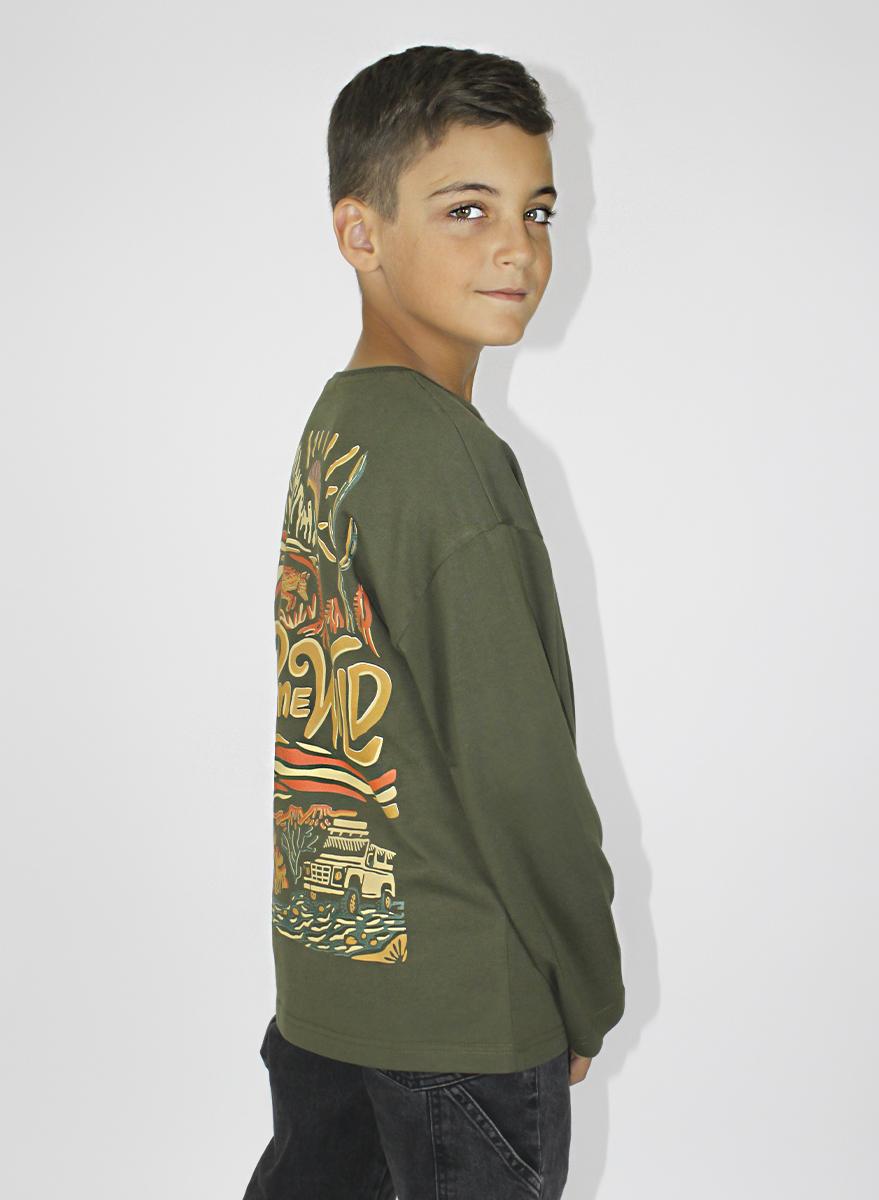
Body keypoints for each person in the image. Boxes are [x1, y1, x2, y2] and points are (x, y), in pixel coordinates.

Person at [243, 44, 626, 1200]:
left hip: (330, 989)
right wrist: (587, 987)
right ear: (360, 232)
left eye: (536, 210)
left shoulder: (342, 424)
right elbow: (519, 773)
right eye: (467, 209)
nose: (519, 247)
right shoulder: (446, 457)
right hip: (461, 1021)